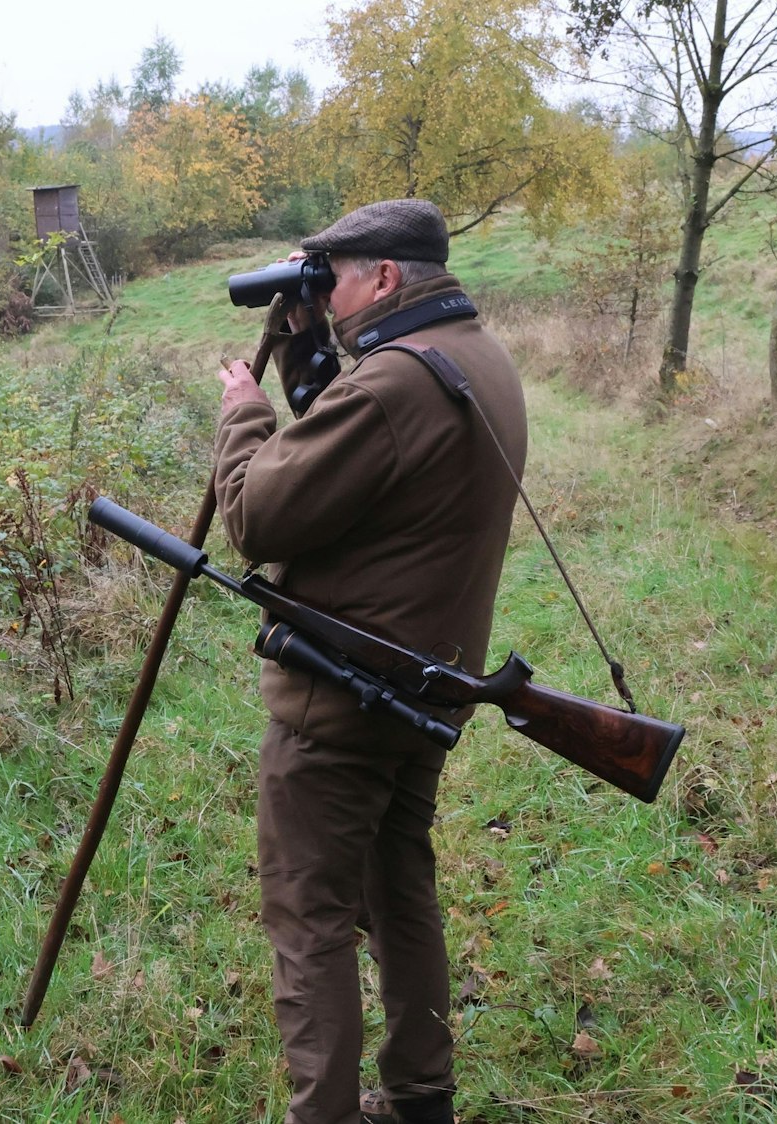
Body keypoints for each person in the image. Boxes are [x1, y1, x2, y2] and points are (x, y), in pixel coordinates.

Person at [211, 199, 528, 1124]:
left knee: (311, 923)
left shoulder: (394, 386)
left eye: (335, 280)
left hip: (341, 709)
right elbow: (368, 470)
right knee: (399, 894)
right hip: (424, 691)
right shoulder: (473, 356)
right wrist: (315, 358)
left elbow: (259, 516)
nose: (330, 301)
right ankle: (421, 1094)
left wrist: (244, 413)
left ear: (385, 277)